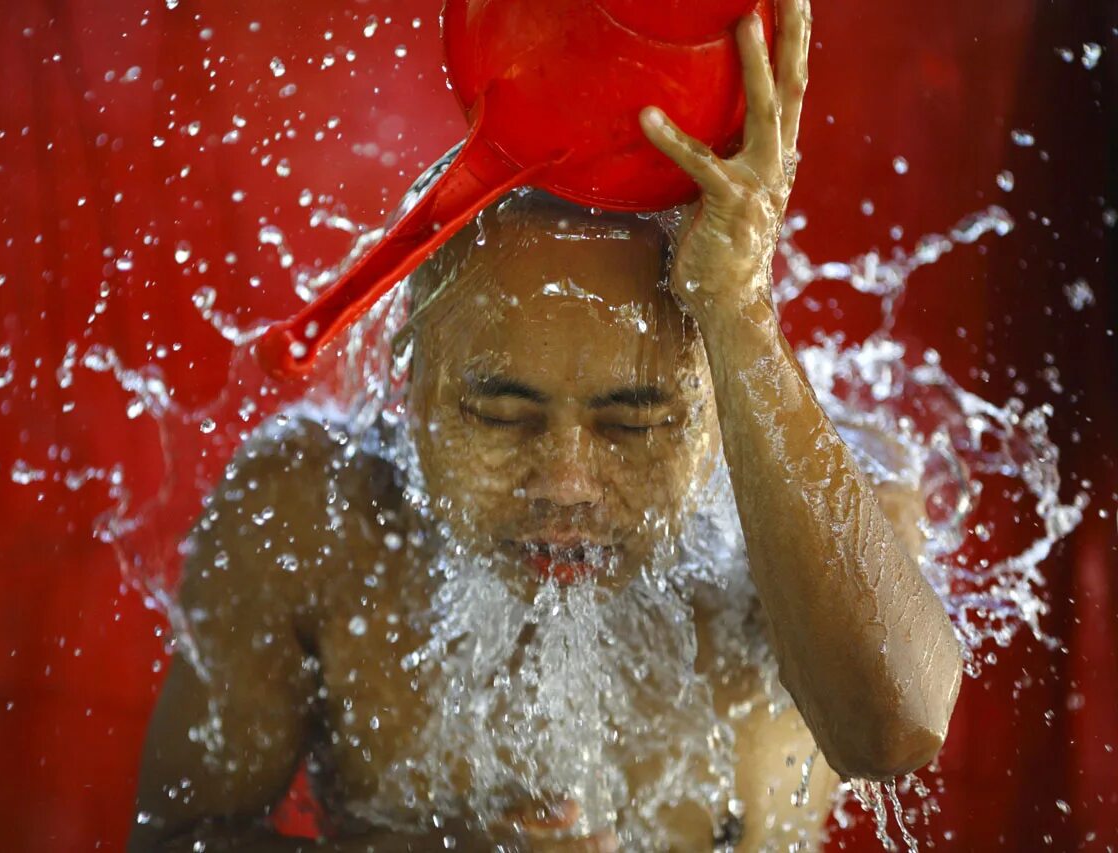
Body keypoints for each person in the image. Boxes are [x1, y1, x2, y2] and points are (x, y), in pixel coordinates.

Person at [129, 1, 962, 850]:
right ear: (405, 384)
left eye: (632, 425)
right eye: (501, 412)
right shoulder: (313, 521)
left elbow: (892, 734)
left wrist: (737, 311)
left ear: (718, 408)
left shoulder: (829, 512)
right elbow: (175, 837)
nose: (566, 482)